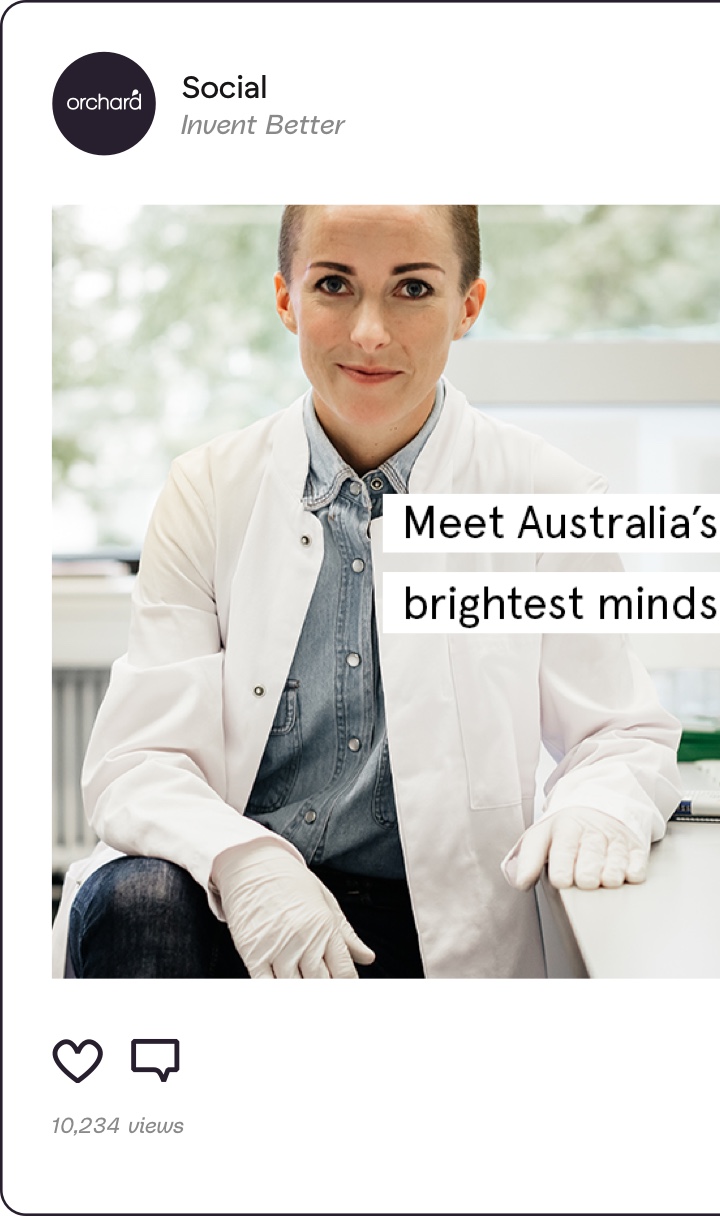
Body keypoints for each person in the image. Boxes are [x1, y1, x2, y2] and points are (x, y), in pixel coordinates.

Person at [52, 205, 682, 980]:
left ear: (469, 307)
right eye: (334, 285)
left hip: (439, 918)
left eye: (412, 288)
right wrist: (247, 863)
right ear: (287, 300)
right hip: (230, 902)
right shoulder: (210, 489)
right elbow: (139, 758)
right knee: (137, 899)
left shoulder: (545, 495)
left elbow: (619, 732)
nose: (370, 333)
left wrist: (600, 804)